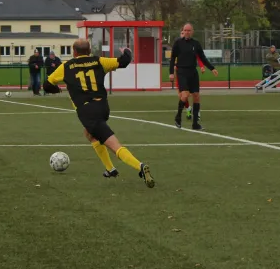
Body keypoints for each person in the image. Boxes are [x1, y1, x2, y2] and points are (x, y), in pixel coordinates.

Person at [43, 39, 155, 188]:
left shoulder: (66, 66)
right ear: (89, 50)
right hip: (102, 107)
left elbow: (47, 85)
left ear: (74, 52)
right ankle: (111, 170)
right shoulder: (99, 61)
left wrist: (57, 90)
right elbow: (125, 61)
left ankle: (140, 166)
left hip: (87, 111)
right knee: (89, 134)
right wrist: (126, 51)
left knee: (114, 146)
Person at [169, 23, 218, 130]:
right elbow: (172, 58)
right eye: (185, 30)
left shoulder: (196, 44)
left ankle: (195, 124)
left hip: (193, 72)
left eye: (189, 30)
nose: (187, 32)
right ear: (183, 31)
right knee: (185, 95)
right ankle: (178, 117)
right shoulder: (178, 43)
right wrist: (171, 73)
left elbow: (203, 58)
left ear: (192, 31)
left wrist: (212, 68)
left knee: (196, 96)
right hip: (182, 72)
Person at [174, 31, 205, 120]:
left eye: (185, 33)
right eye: (182, 34)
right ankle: (188, 108)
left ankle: (197, 111)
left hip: (189, 72)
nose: (184, 35)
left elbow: (198, 56)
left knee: (194, 94)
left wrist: (202, 66)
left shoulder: (191, 46)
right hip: (179, 72)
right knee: (181, 95)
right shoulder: (178, 46)